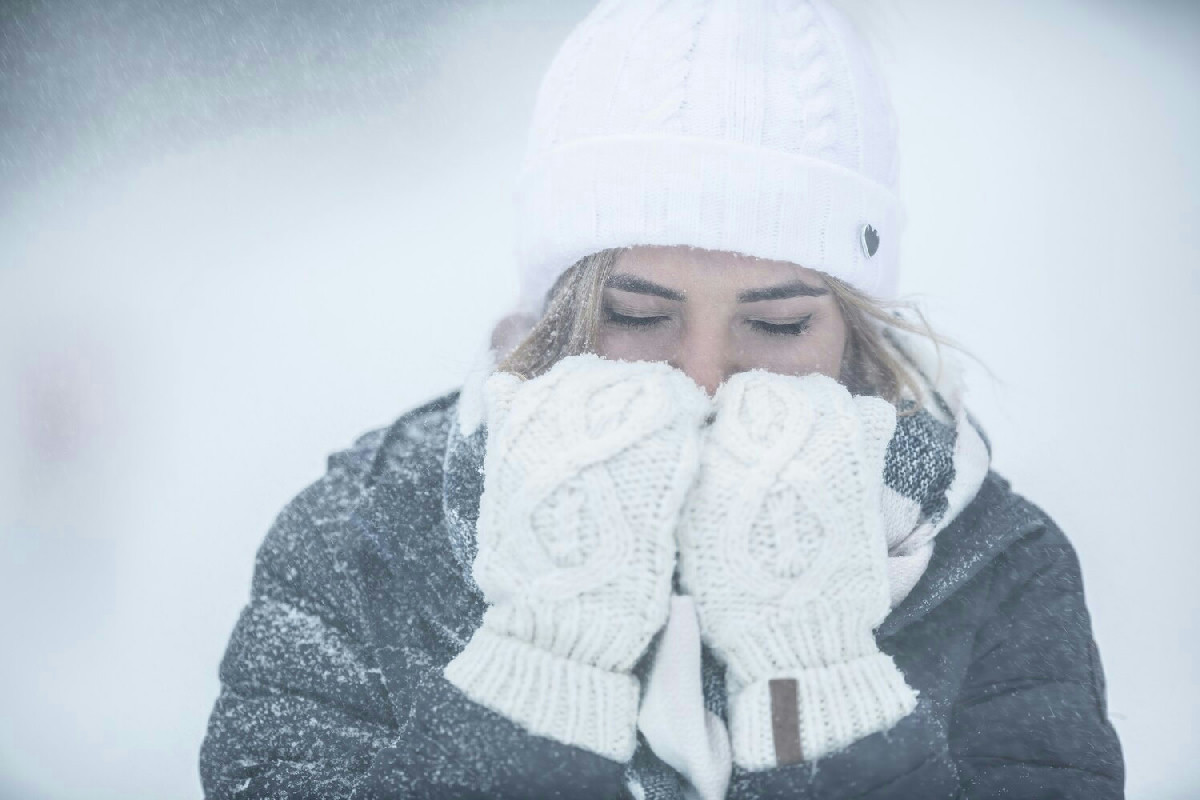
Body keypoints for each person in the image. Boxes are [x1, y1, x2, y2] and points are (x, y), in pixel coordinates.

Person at [199, 1, 1125, 798]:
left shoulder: (999, 570)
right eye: (638, 316)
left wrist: (813, 684)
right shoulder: (366, 540)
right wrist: (543, 672)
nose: (704, 380)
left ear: (856, 329)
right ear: (556, 310)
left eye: (777, 327)